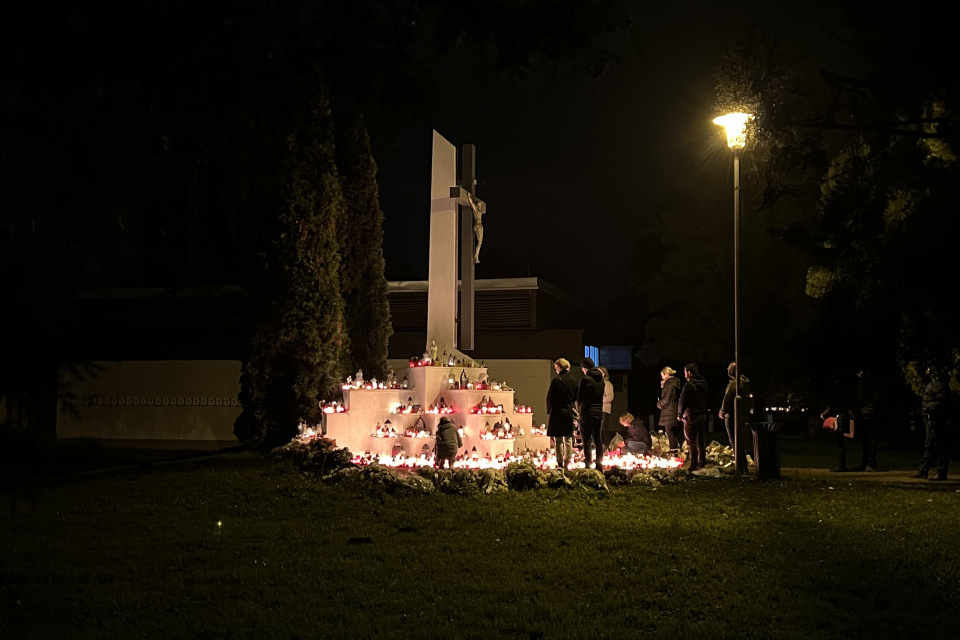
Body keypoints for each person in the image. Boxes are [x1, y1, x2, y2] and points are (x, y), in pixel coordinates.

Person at [913, 365, 953, 481]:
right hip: (931, 416)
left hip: (934, 417)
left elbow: (940, 400)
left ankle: (941, 471)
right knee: (929, 443)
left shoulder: (937, 383)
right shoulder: (934, 382)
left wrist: (931, 411)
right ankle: (924, 470)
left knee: (939, 444)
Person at [546, 358, 579, 469]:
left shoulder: (557, 380)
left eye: (556, 368)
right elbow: (576, 397)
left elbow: (550, 397)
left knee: (558, 438)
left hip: (557, 411)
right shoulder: (574, 380)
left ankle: (559, 461)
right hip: (568, 410)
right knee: (568, 438)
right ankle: (567, 460)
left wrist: (549, 410)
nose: (556, 370)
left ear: (560, 367)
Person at [820, 372, 855, 472]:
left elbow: (833, 406)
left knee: (839, 443)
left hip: (838, 419)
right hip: (843, 416)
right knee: (841, 443)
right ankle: (842, 464)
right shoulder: (845, 394)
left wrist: (824, 414)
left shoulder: (835, 395)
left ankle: (841, 465)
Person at [576, 357, 606, 471]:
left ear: (584, 368)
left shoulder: (585, 379)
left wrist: (579, 410)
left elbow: (579, 397)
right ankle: (599, 464)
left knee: (586, 438)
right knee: (598, 438)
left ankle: (588, 463)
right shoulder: (601, 380)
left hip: (586, 411)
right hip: (598, 411)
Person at [718, 361, 749, 471]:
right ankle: (742, 466)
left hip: (732, 415)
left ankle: (740, 467)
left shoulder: (734, 384)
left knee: (734, 441)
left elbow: (727, 398)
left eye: (729, 368)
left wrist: (722, 411)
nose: (727, 370)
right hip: (740, 415)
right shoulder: (743, 383)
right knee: (738, 441)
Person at [677, 363, 708, 471]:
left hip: (690, 415)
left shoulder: (689, 385)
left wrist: (679, 414)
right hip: (702, 414)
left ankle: (693, 465)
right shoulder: (704, 384)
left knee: (691, 441)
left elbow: (682, 400)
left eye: (685, 372)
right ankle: (702, 461)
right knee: (700, 440)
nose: (685, 375)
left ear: (689, 372)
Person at [851, 369, 879, 471]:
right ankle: (867, 462)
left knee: (869, 438)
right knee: (866, 439)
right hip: (867, 411)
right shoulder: (869, 385)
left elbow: (861, 398)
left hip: (866, 412)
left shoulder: (865, 385)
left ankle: (870, 463)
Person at [656, 366, 683, 454]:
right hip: (672, 409)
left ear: (666, 374)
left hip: (669, 409)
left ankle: (673, 451)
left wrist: (659, 404)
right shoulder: (672, 383)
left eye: (662, 375)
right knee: (671, 431)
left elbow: (667, 398)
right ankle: (675, 450)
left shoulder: (670, 384)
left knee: (669, 430)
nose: (662, 377)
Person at [599, 366, 620, 449]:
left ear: (604, 373)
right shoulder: (598, 384)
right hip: (598, 409)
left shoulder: (607, 384)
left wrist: (598, 400)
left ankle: (606, 446)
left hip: (604, 409)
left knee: (603, 429)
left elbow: (610, 397)